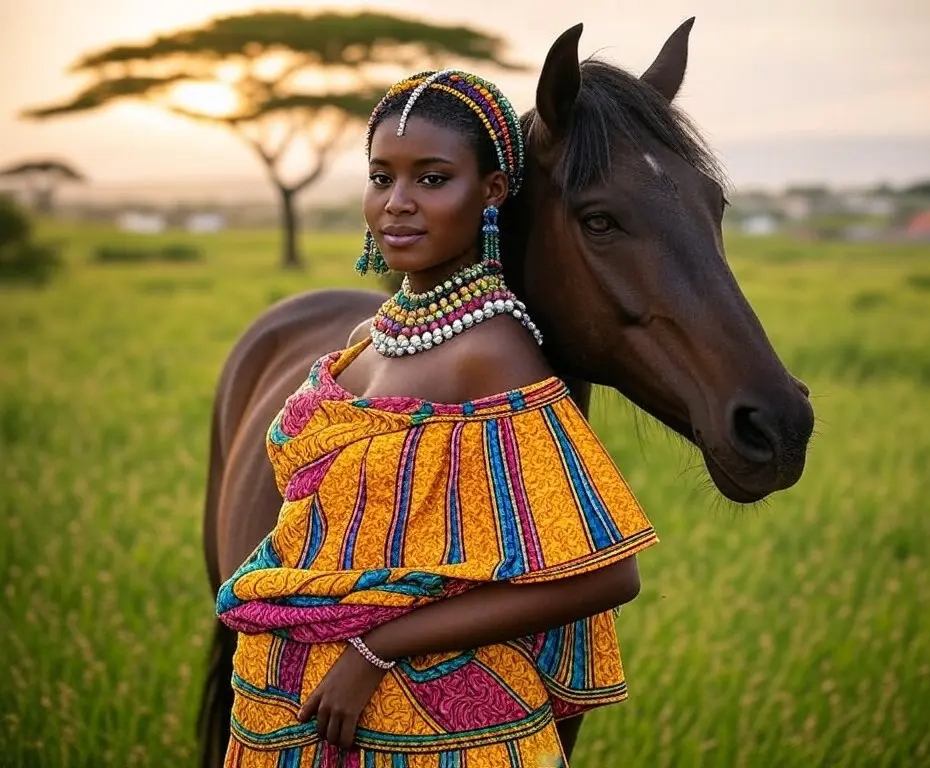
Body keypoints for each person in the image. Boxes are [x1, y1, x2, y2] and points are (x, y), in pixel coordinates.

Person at [215, 69, 659, 768]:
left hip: (435, 738)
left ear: (491, 192)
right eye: (381, 176)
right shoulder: (371, 335)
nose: (397, 204)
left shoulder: (494, 354)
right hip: (293, 718)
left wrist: (376, 649)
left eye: (430, 179)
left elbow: (605, 576)